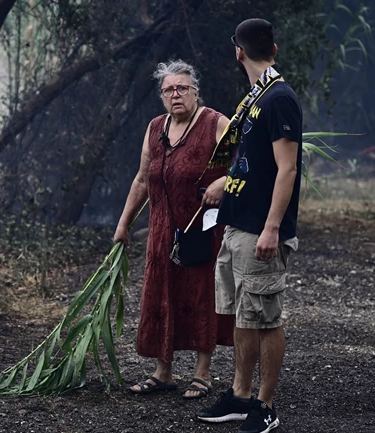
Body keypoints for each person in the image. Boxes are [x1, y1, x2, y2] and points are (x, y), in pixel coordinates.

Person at [196, 19, 302, 433]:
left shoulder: (279, 98)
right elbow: (255, 159)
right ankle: (240, 396)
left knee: (267, 317)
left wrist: (272, 227)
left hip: (262, 228)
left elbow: (287, 168)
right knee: (245, 314)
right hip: (238, 223)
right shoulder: (256, 98)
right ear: (272, 48)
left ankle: (266, 405)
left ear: (237, 52)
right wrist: (228, 180)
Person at [114, 60, 235, 400]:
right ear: (162, 96)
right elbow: (142, 179)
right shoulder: (155, 127)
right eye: (169, 89)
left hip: (201, 229)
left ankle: (202, 373)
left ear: (196, 92)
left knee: (199, 295)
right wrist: (124, 223)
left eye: (182, 88)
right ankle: (162, 371)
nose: (176, 94)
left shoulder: (216, 123)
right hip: (161, 231)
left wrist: (223, 182)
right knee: (161, 294)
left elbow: (245, 164)